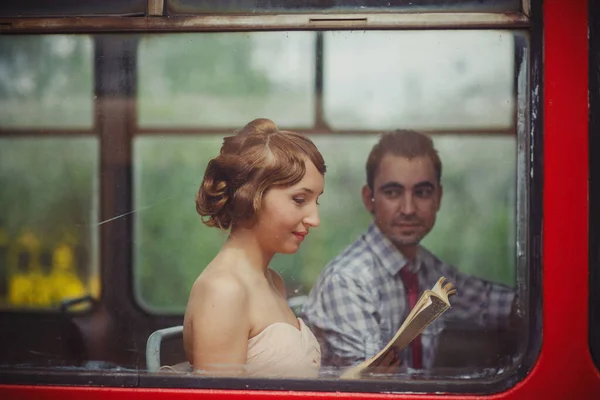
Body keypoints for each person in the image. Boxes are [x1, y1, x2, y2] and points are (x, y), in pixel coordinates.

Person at [302, 129, 516, 371]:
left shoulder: (427, 267)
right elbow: (374, 389)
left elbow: (492, 303)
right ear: (368, 198)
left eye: (422, 192)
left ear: (438, 197)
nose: (408, 208)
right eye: (392, 192)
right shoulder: (348, 280)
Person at [183, 118, 325, 378]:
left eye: (317, 201)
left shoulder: (273, 280)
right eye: (300, 199)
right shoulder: (223, 291)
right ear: (252, 195)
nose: (314, 219)